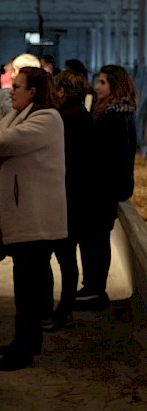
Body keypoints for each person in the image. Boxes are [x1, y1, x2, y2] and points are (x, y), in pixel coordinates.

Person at [0, 67, 67, 371]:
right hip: (24, 217)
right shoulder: (19, 116)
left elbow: (2, 142)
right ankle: (26, 341)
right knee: (25, 283)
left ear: (33, 91)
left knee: (28, 287)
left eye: (17, 87)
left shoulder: (47, 119)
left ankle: (25, 347)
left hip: (37, 219)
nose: (11, 92)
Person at [75, 64, 137, 309]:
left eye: (102, 83)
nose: (97, 87)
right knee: (93, 238)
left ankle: (95, 289)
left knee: (96, 239)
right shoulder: (114, 112)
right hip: (103, 186)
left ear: (115, 86)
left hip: (104, 187)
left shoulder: (116, 115)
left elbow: (107, 155)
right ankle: (91, 286)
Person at [41, 70, 96, 329]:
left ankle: (61, 311)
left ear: (61, 91)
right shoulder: (82, 115)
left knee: (60, 256)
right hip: (78, 195)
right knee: (67, 256)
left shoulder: (64, 119)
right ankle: (64, 309)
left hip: (66, 196)